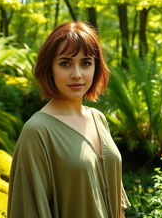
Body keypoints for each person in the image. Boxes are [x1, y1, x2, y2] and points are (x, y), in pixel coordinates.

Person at [7, 21, 131, 218]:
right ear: (50, 69)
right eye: (65, 63)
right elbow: (27, 208)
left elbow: (118, 202)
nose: (77, 74)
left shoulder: (98, 118)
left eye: (86, 63)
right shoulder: (37, 131)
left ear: (95, 67)